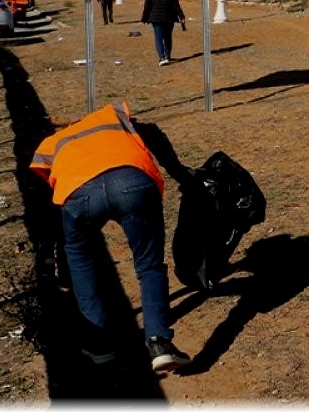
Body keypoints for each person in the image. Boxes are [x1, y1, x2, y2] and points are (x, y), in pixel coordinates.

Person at [29, 101, 193, 373]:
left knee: (81, 263)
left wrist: (62, 271)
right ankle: (159, 343)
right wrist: (181, 176)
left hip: (78, 195)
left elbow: (54, 210)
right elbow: (152, 132)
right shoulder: (111, 119)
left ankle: (100, 345)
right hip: (133, 183)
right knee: (149, 265)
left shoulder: (55, 143)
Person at [141, 0, 185, 66]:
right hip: (169, 18)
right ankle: (167, 57)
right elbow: (176, 5)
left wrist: (144, 18)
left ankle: (162, 58)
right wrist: (181, 16)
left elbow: (147, 6)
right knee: (168, 37)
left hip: (156, 18)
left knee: (159, 38)